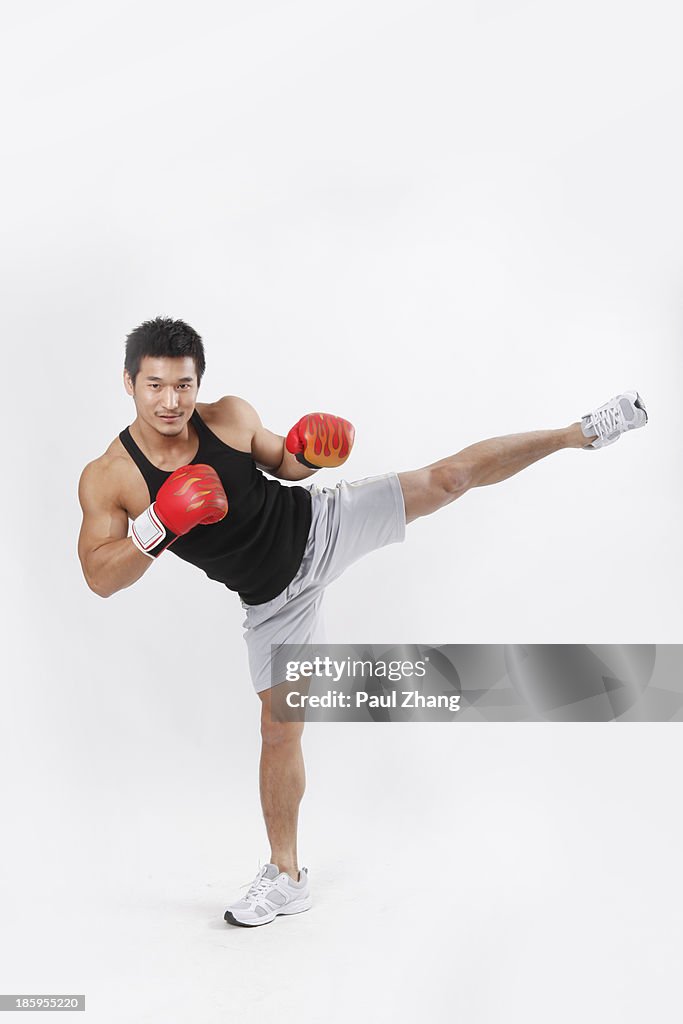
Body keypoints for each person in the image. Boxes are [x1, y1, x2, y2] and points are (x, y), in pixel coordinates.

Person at [77, 316, 648, 928]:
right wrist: (158, 523)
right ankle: (287, 876)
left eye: (183, 385)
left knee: (447, 479)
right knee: (279, 730)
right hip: (273, 605)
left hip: (324, 525)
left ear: (199, 382)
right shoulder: (112, 476)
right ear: (129, 384)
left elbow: (286, 466)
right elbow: (99, 575)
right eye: (155, 386)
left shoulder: (229, 417)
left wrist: (307, 455)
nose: (171, 401)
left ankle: (578, 433)